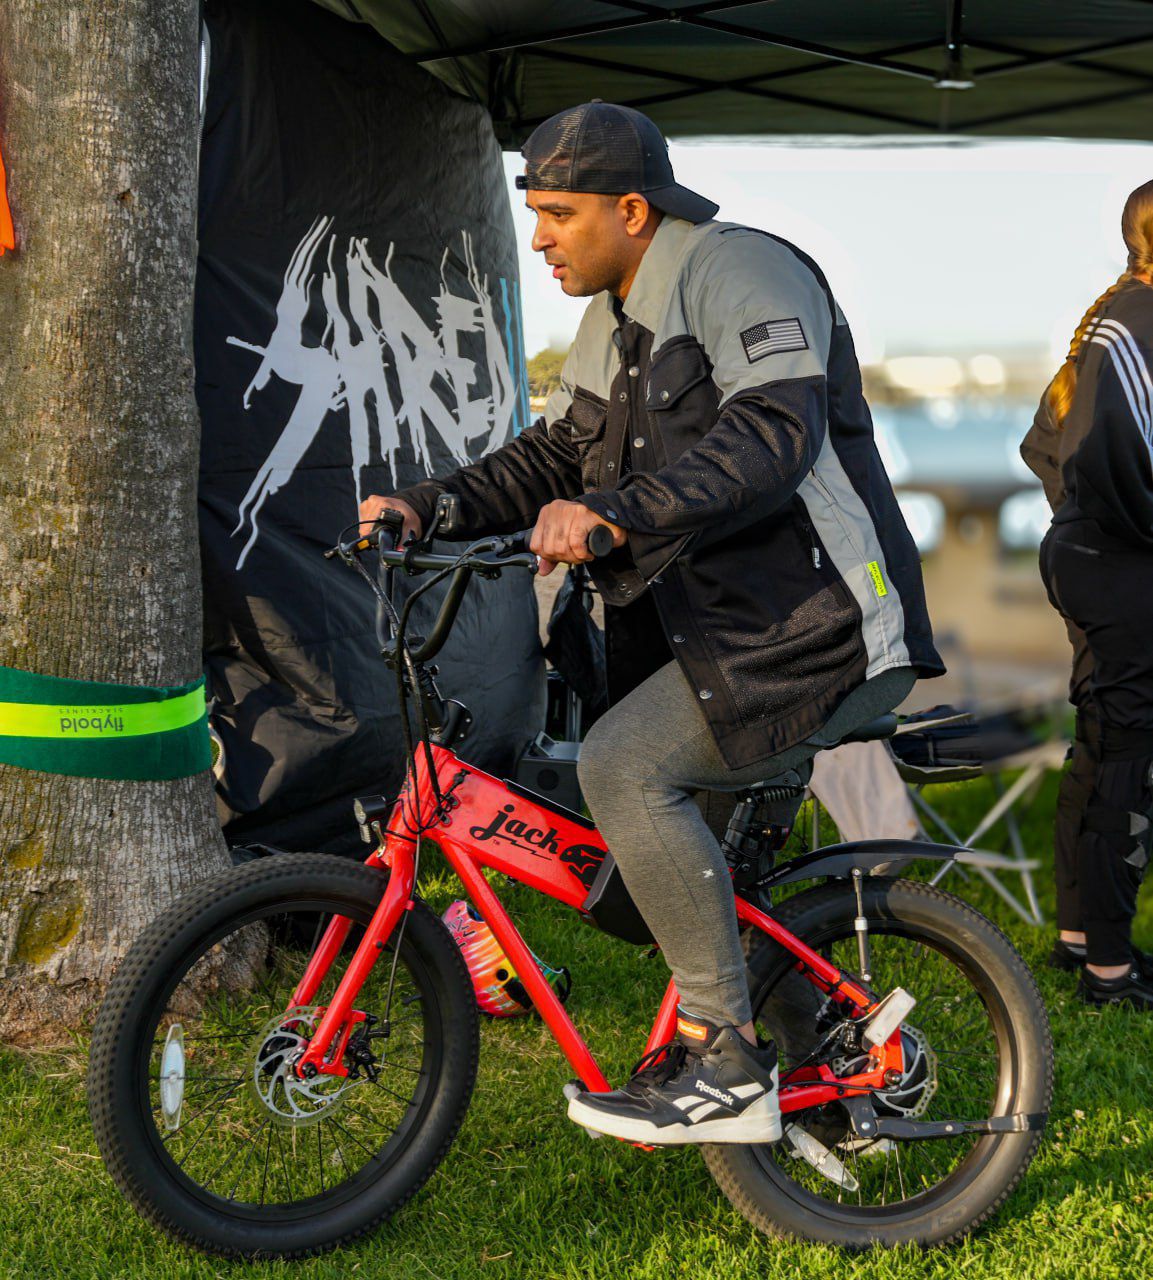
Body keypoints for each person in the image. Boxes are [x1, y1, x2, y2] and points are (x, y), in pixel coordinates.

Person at [361, 101, 943, 1143]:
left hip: (813, 625)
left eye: (558, 213)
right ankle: (827, 1086)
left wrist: (614, 513)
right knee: (643, 878)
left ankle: (724, 1059)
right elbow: (555, 456)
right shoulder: (615, 315)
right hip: (721, 636)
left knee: (624, 767)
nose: (538, 236)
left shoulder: (740, 271)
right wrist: (430, 502)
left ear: (630, 209)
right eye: (531, 213)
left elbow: (774, 433)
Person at [1020, 179, 1153, 1009]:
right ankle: (1109, 967)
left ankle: (1080, 938)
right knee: (1129, 759)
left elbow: (1045, 448)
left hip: (1096, 557)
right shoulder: (1138, 321)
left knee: (1104, 744)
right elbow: (1111, 454)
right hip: (1117, 565)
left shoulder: (1119, 314)